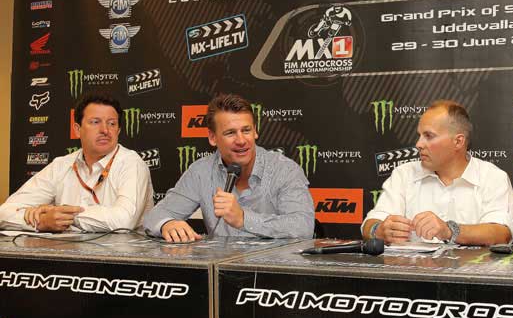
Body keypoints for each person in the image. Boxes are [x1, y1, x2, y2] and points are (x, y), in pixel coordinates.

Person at [144, 93, 314, 242]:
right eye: (230, 133)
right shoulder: (201, 171)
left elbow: (303, 227)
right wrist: (167, 223)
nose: (241, 140)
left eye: (246, 130)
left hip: (273, 267)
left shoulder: (285, 170)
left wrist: (243, 219)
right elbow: (154, 216)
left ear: (255, 131)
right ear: (212, 137)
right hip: (221, 267)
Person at [361, 100, 513, 246]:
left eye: (429, 136)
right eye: (419, 135)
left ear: (458, 141)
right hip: (410, 267)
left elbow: (501, 233)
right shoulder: (404, 174)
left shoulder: (493, 177)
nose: (418, 144)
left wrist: (449, 230)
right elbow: (370, 224)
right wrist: (378, 230)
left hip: (470, 267)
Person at [0, 95, 153, 232]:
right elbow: (4, 212)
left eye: (112, 124)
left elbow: (124, 220)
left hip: (121, 254)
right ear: (77, 129)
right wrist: (41, 222)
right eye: (95, 122)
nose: (105, 130)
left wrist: (61, 215)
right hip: (66, 252)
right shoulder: (61, 165)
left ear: (118, 131)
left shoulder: (131, 163)